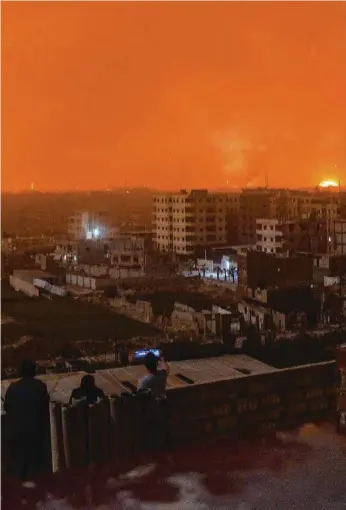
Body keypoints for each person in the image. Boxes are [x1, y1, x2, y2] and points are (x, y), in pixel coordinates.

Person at [4, 359, 50, 482]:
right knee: (36, 469)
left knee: (18, 470)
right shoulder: (40, 386)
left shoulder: (13, 388)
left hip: (17, 434)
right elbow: (45, 408)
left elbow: (7, 407)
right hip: (36, 433)